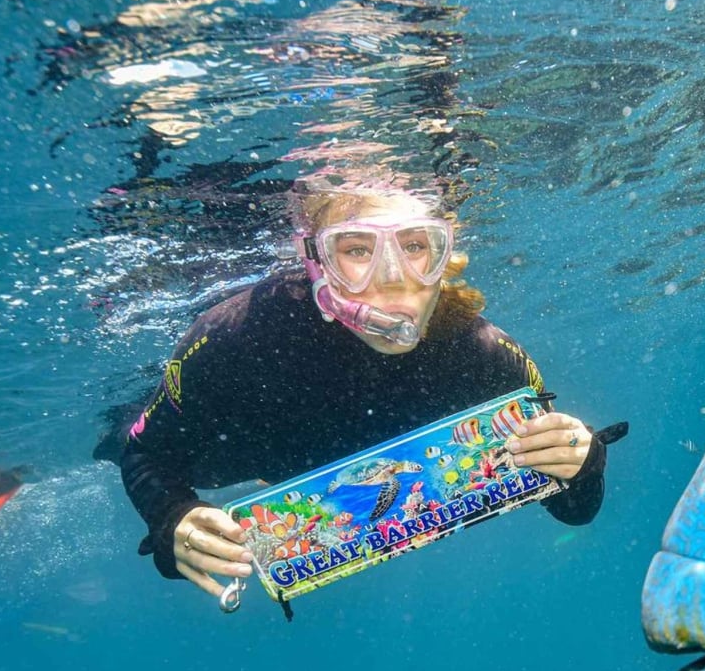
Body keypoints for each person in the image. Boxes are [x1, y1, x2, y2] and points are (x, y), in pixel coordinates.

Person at [113, 180, 621, 602]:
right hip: (234, 454)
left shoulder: (483, 354)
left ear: (446, 256)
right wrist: (171, 516)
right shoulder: (234, 335)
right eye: (357, 250)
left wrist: (583, 463)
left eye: (417, 247)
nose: (395, 280)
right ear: (315, 260)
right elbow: (143, 451)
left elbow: (575, 510)